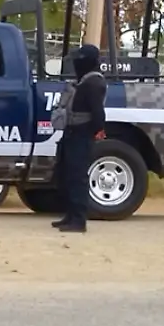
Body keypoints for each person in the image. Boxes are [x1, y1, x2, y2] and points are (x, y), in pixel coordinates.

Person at [53, 44, 107, 234]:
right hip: (72, 133)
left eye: (79, 59)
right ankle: (70, 216)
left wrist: (95, 131)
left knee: (78, 178)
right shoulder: (84, 81)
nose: (76, 63)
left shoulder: (93, 83)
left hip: (81, 134)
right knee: (67, 175)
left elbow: (98, 114)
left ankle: (78, 220)